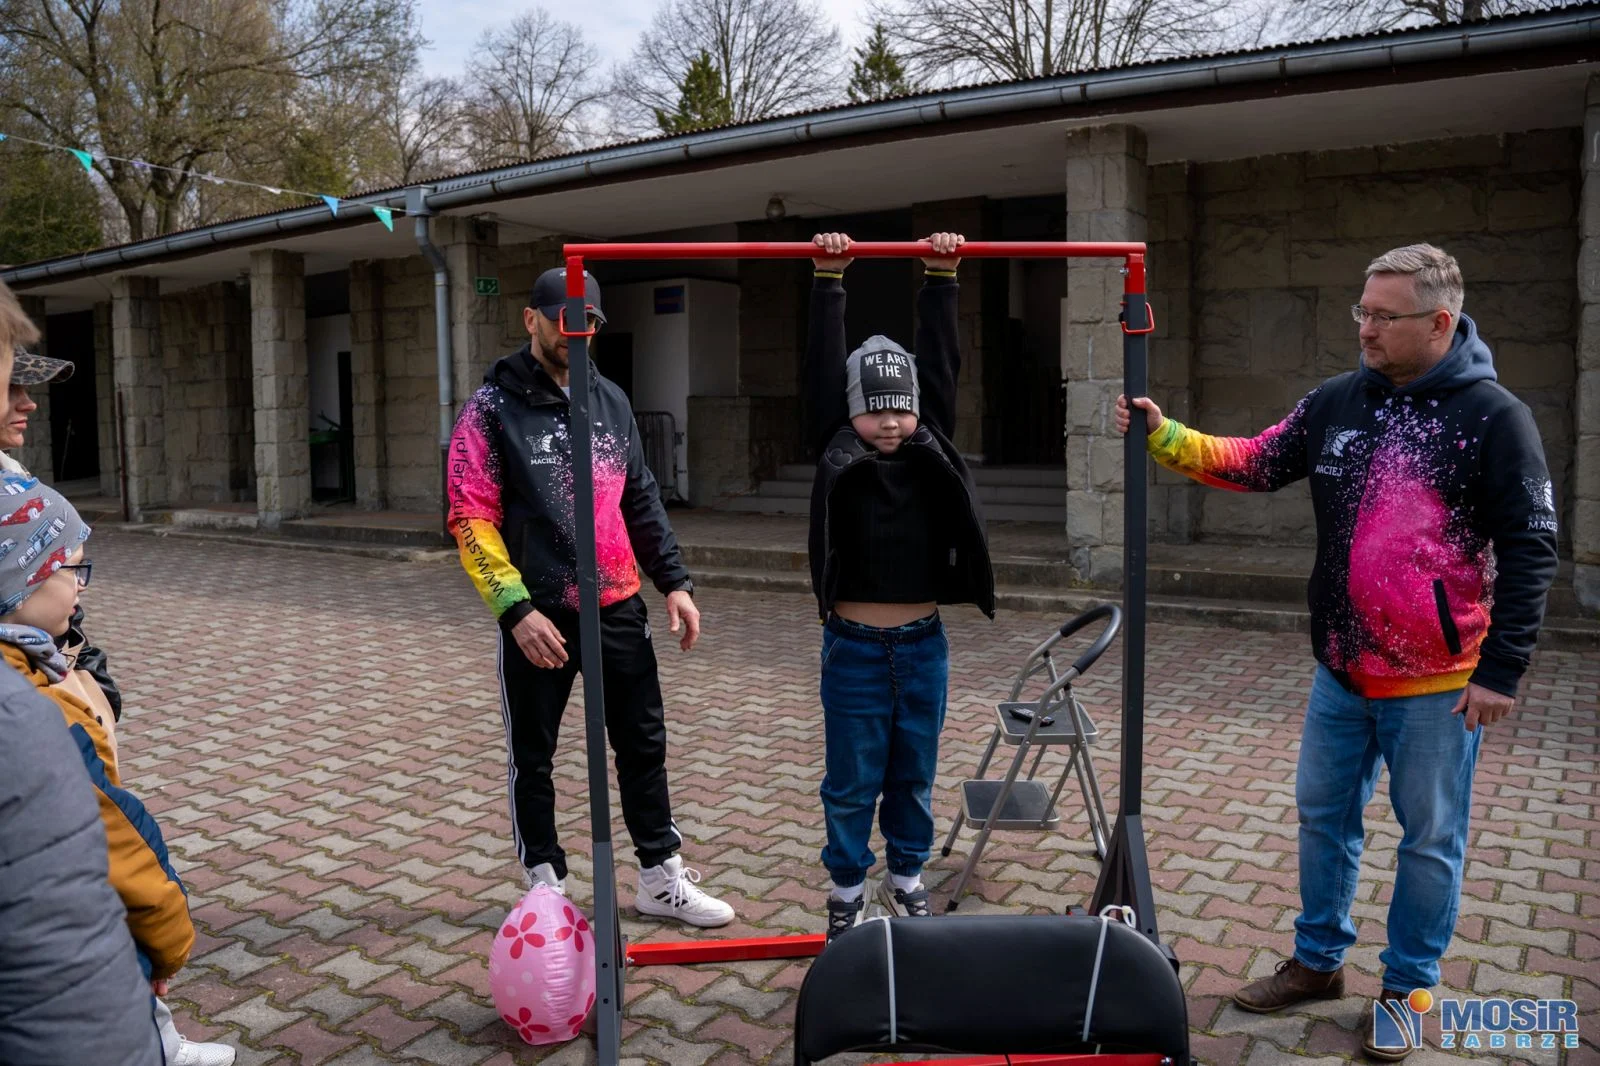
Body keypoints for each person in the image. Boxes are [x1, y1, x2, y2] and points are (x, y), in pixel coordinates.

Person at [1113, 243, 1558, 1060]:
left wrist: (1503, 669)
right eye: (1363, 312)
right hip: (1342, 673)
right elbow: (1258, 460)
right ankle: (1318, 963)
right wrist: (1167, 436)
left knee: (1429, 839)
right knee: (1324, 820)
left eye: (1383, 316)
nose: (1366, 329)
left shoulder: (1495, 418)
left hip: (1439, 683)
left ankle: (1404, 989)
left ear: (1439, 322)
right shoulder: (1337, 401)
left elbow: (1533, 547)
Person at [447, 266, 734, 928]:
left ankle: (660, 878)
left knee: (643, 742)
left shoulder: (609, 399)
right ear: (531, 319)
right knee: (535, 753)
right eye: (562, 321)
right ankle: (546, 886)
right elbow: (470, 516)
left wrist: (676, 583)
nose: (575, 334)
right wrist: (514, 611)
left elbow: (640, 496)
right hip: (538, 614)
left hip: (618, 604)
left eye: (589, 324)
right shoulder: (490, 409)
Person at [0, 476, 237, 1066]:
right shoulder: (30, 713)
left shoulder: (35, 667)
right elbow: (115, 837)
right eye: (71, 569)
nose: (81, 588)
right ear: (19, 578)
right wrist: (169, 941)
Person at [804, 232, 995, 942]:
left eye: (900, 408)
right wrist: (830, 279)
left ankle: (907, 876)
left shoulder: (929, 446)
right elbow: (825, 368)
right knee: (852, 780)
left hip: (922, 648)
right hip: (853, 649)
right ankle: (847, 888)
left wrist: (941, 275)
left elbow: (940, 362)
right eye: (874, 407)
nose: (889, 419)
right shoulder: (835, 446)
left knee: (913, 774)